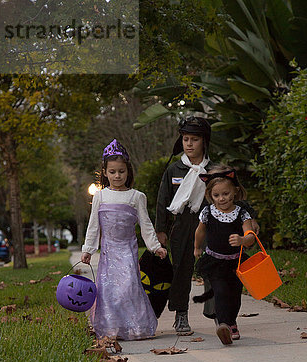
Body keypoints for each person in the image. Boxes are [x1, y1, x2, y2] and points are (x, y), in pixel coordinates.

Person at [81, 139, 167, 340]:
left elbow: (146, 225)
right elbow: (93, 226)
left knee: (128, 286)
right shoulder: (101, 197)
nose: (117, 176)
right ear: (105, 172)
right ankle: (112, 328)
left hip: (128, 250)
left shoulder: (136, 197)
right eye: (112, 172)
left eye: (121, 171)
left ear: (128, 171)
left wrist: (155, 247)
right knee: (110, 290)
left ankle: (135, 327)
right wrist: (88, 249)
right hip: (109, 252)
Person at [155, 116, 212, 334]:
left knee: (213, 267)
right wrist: (161, 229)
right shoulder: (175, 169)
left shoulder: (213, 169)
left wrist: (249, 217)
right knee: (180, 270)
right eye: (185, 139)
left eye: (194, 139)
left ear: (204, 141)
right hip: (181, 225)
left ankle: (219, 312)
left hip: (207, 224)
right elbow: (163, 200)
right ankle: (180, 314)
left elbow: (232, 195)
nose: (189, 144)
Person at [194, 166, 256, 345]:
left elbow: (250, 236)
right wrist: (197, 247)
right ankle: (223, 325)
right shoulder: (208, 212)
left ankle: (232, 322)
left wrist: (243, 241)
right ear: (210, 195)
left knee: (235, 295)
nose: (222, 199)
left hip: (235, 262)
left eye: (226, 194)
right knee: (220, 291)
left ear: (235, 192)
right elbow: (200, 231)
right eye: (216, 195)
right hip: (215, 261)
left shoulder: (241, 213)